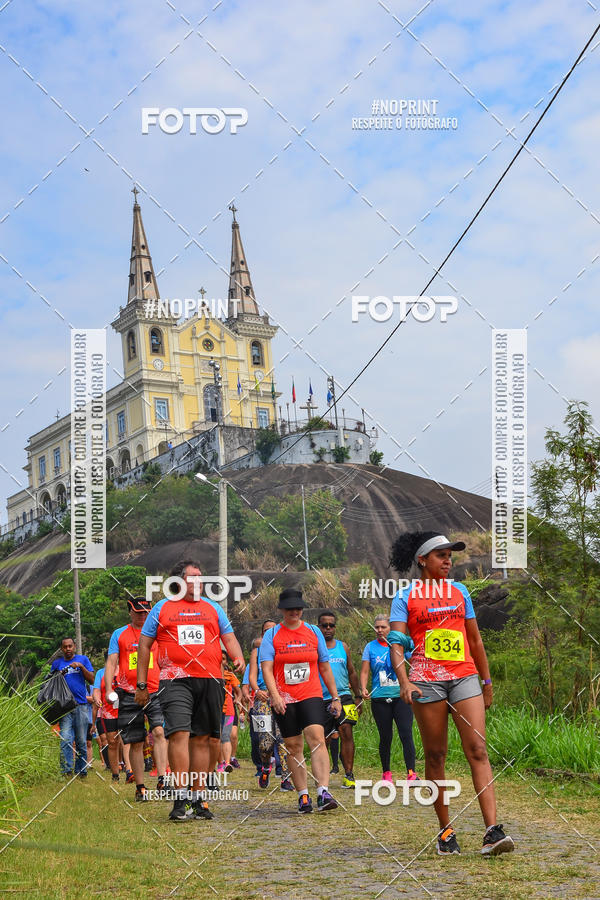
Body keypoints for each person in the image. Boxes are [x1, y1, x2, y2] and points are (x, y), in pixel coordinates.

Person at [388, 531, 515, 857]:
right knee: (436, 756)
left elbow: (474, 641)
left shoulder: (459, 592)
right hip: (426, 682)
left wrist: (486, 683)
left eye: (450, 556)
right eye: (441, 555)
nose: (448, 561)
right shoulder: (405, 597)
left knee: (477, 749)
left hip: (463, 677)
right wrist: (404, 681)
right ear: (422, 560)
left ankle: (492, 831)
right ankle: (445, 832)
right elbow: (397, 644)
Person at [136, 560, 245, 822]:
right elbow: (143, 645)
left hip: (210, 680)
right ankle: (180, 797)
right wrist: (142, 685)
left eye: (200, 577)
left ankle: (198, 798)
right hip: (176, 680)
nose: (198, 581)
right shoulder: (162, 608)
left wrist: (237, 656)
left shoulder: (213, 608)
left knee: (202, 739)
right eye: (192, 577)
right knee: (179, 734)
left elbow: (228, 636)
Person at [260, 588, 340, 813]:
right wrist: (275, 696)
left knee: (317, 738)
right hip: (284, 698)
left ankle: (323, 792)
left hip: (311, 694)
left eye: (298, 608)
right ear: (282, 610)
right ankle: (303, 796)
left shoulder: (313, 632)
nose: (294, 612)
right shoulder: (272, 635)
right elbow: (266, 668)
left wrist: (335, 697)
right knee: (294, 747)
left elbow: (324, 666)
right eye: (290, 608)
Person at [105, 596, 168, 802]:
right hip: (127, 692)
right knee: (136, 741)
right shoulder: (119, 634)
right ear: (130, 612)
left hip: (155, 690)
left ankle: (162, 779)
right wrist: (108, 689)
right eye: (138, 612)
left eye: (145, 612)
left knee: (159, 731)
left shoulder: (158, 632)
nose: (142, 616)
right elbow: (112, 661)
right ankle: (140, 787)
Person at [360, 616, 418, 784]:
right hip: (380, 697)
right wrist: (363, 688)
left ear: (390, 628)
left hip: (401, 696)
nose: (379, 630)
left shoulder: (399, 644)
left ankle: (411, 773)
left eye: (383, 627)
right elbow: (364, 671)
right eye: (376, 627)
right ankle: (386, 773)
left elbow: (414, 660)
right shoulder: (370, 647)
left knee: (406, 734)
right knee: (385, 736)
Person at [317, 610, 362, 788]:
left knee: (346, 732)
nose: (328, 628)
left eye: (331, 625)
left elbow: (352, 671)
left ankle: (349, 775)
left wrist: (358, 696)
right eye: (324, 625)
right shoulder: (314, 648)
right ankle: (322, 776)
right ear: (318, 627)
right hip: (321, 698)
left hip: (344, 696)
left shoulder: (343, 647)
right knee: (323, 740)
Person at [249, 620, 291, 790]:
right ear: (261, 633)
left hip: (281, 697)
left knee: (283, 739)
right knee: (265, 742)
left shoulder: (285, 649)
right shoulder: (257, 652)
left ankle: (286, 779)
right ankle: (265, 766)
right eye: (265, 630)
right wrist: (257, 689)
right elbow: (252, 676)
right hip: (263, 699)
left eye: (272, 630)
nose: (269, 633)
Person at [50, 638, 94, 778]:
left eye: (70, 646)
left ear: (74, 647)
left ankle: (81, 770)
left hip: (81, 705)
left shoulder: (83, 659)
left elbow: (92, 679)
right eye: (65, 647)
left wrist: (81, 667)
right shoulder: (57, 663)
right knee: (66, 739)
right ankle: (66, 771)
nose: (68, 649)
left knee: (81, 741)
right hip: (64, 708)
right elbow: (50, 682)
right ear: (61, 649)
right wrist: (59, 674)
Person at [92, 656, 121, 781]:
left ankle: (129, 769)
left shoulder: (125, 668)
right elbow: (96, 689)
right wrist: (97, 698)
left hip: (125, 709)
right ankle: (114, 773)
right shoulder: (100, 673)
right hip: (108, 711)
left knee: (126, 740)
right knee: (111, 741)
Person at [218, 651, 242, 773]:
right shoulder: (211, 675)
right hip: (215, 709)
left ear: (226, 661)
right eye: (219, 659)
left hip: (229, 711)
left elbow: (239, 692)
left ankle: (227, 763)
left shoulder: (230, 675)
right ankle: (220, 763)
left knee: (226, 736)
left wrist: (237, 699)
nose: (222, 661)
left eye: (223, 659)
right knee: (216, 737)